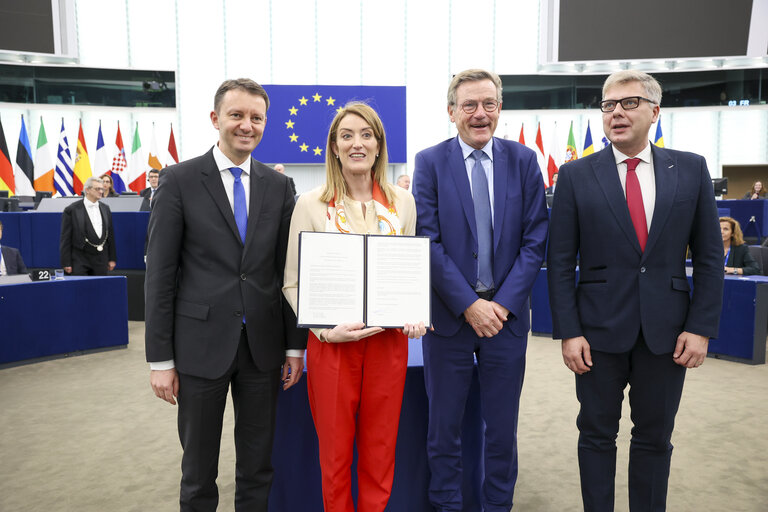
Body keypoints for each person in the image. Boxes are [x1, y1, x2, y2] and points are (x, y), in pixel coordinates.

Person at [547, 70, 724, 511]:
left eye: (629, 103)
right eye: (608, 105)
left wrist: (700, 328)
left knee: (654, 439)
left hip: (668, 334)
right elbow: (560, 263)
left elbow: (707, 258)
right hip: (596, 334)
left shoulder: (690, 168)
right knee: (595, 437)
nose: (617, 113)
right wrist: (568, 332)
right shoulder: (575, 176)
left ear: (654, 111)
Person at [145, 78, 306, 512]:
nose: (246, 125)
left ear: (265, 124)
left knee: (258, 467)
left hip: (263, 349)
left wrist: (295, 346)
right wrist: (160, 360)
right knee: (198, 472)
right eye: (236, 115)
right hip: (199, 349)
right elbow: (160, 275)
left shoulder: (278, 188)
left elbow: (285, 272)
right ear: (215, 119)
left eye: (256, 118)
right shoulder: (178, 181)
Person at [412, 69, 549, 512]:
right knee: (443, 430)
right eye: (469, 105)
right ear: (451, 112)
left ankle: (497, 506)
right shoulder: (430, 162)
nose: (480, 113)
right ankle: (447, 506)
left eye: (488, 103)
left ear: (500, 108)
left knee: (502, 430)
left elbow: (534, 241)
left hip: (505, 323)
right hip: (450, 320)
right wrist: (469, 304)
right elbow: (426, 241)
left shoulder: (524, 161)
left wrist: (501, 305)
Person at [283, 102, 426, 512]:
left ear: (379, 146)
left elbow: (409, 273)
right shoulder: (310, 204)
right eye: (347, 135)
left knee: (381, 452)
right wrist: (324, 330)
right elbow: (291, 281)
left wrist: (414, 314)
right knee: (335, 457)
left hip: (388, 344)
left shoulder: (403, 203)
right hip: (333, 345)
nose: (357, 143)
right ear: (334, 146)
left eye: (366, 135)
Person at [60, 176, 117, 275]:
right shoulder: (72, 210)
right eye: (97, 189)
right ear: (87, 190)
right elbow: (66, 238)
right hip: (80, 259)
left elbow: (110, 235)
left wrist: (112, 258)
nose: (101, 191)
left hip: (101, 259)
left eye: (102, 189)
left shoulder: (105, 208)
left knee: (100, 289)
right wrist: (66, 262)